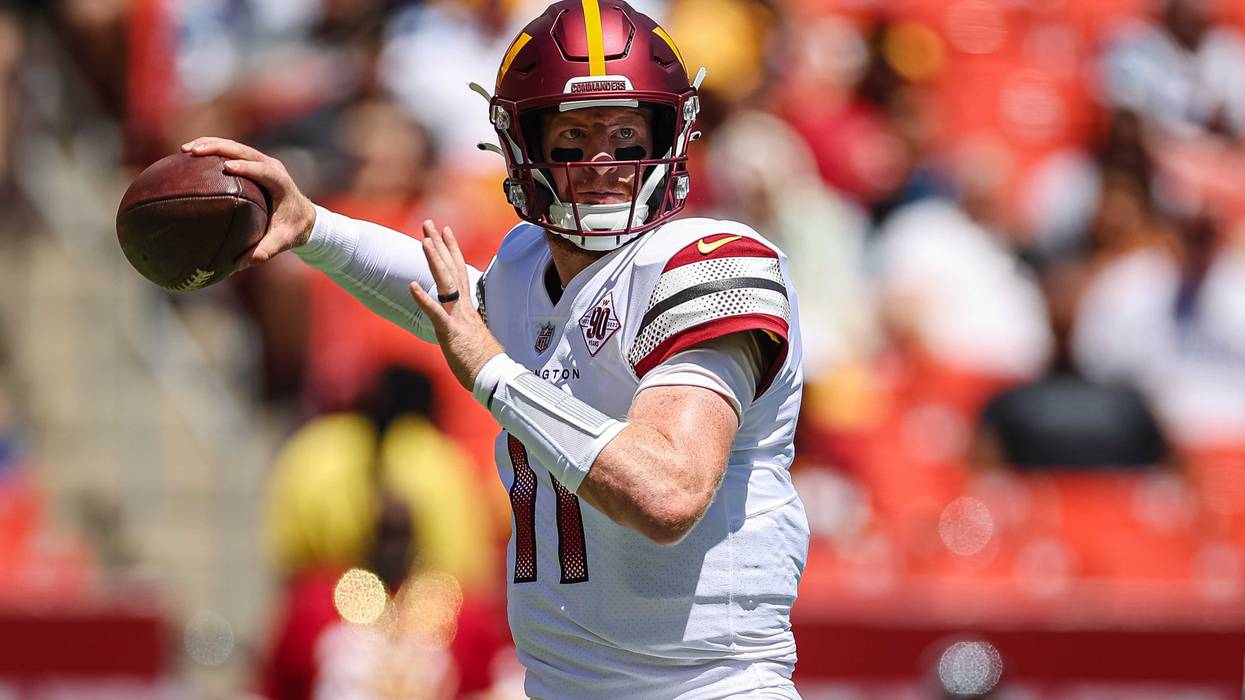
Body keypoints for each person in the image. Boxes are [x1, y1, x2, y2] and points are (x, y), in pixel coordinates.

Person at [185, 1, 808, 697]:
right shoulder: (523, 268)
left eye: (627, 135)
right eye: (572, 138)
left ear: (670, 135)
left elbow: (667, 492)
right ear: (522, 145)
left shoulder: (712, 264)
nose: (601, 164)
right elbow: (449, 297)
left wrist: (491, 371)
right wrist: (314, 227)